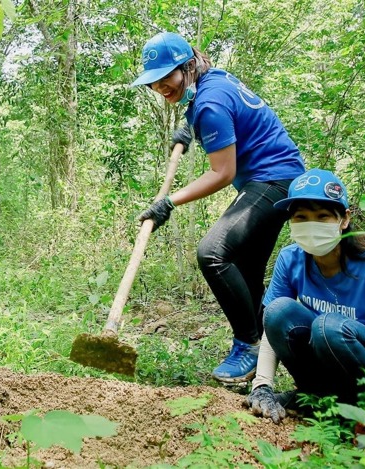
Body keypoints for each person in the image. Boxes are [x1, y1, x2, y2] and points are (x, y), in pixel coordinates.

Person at [132, 32, 306, 383]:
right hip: (281, 177)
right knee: (245, 266)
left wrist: (169, 202)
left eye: (167, 77)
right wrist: (188, 126)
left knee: (213, 253)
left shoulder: (209, 105)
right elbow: (220, 111)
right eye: (154, 82)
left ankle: (249, 344)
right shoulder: (214, 81)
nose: (161, 87)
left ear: (187, 66)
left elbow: (222, 173)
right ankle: (268, 349)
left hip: (272, 181)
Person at [244, 169, 365, 429]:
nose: (311, 224)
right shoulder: (290, 258)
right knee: (277, 310)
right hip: (328, 362)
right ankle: (322, 397)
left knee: (328, 326)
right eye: (301, 217)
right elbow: (273, 326)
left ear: (344, 219)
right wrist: (262, 385)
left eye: (322, 216)